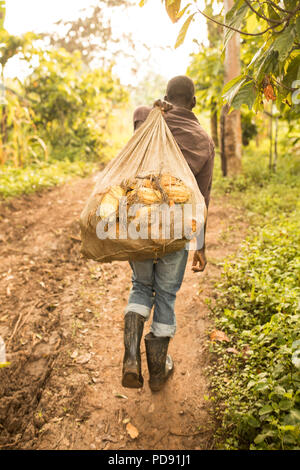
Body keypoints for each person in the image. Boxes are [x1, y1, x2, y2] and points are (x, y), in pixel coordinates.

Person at [122, 75, 215, 392]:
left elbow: (138, 114)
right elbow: (202, 198)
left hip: (140, 221)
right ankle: (158, 372)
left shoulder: (149, 118)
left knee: (140, 286)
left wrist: (153, 109)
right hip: (176, 229)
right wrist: (200, 245)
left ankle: (131, 358)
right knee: (165, 295)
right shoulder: (203, 140)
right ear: (193, 102)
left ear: (165, 97)